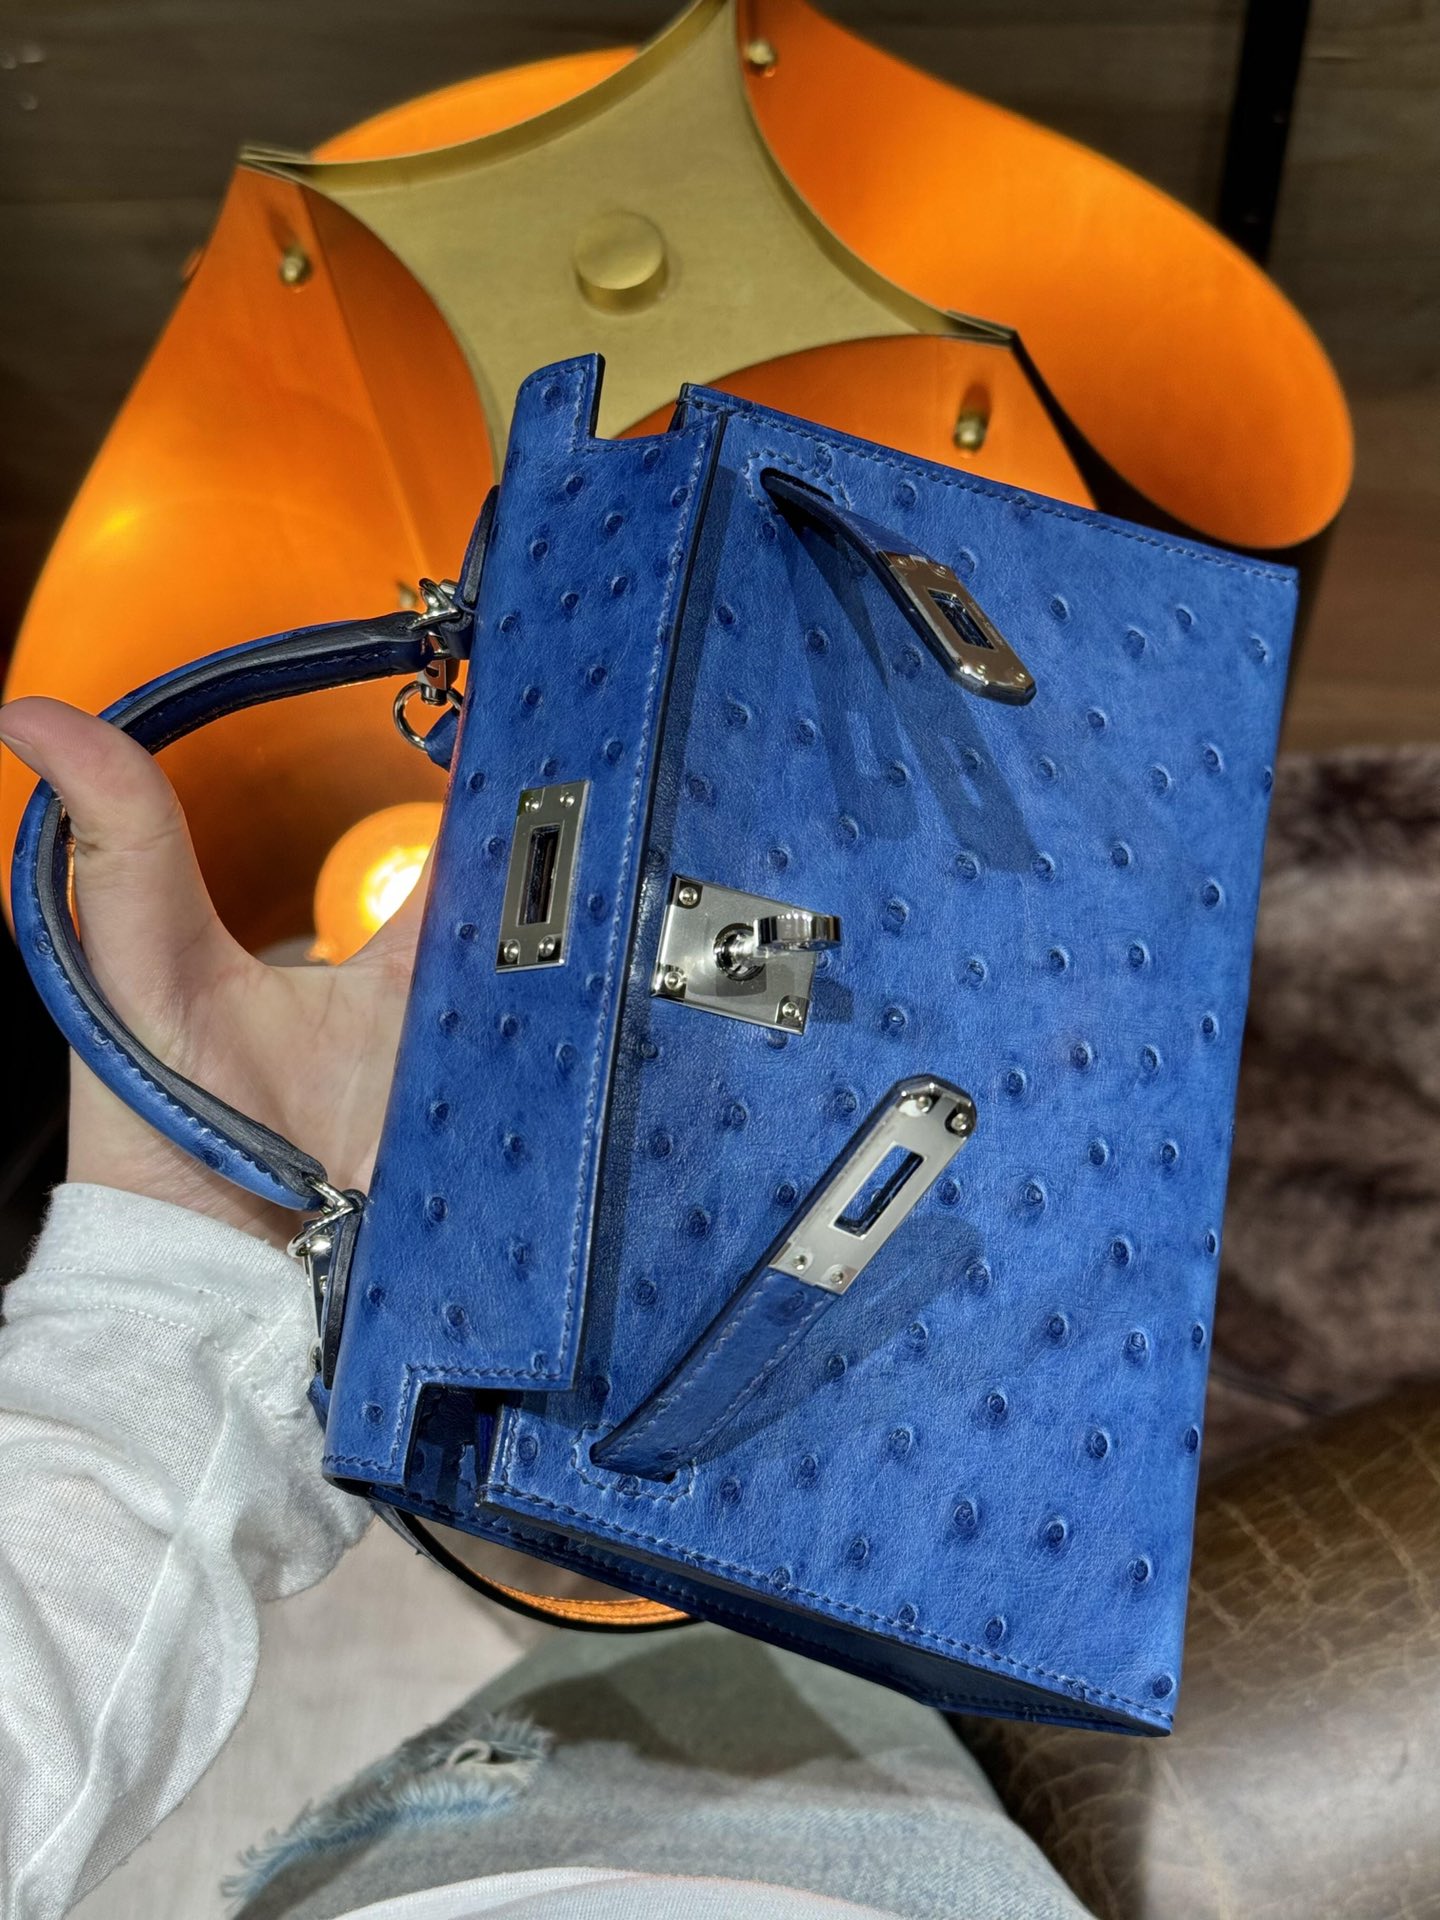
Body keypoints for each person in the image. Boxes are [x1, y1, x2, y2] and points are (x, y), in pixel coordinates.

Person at [0, 696, 1092, 1920]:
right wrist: (189, 1289)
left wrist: (194, 1280)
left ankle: (605, 1521)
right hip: (798, 1854)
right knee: (748, 1653)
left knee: (716, 1644)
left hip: (553, 1845)